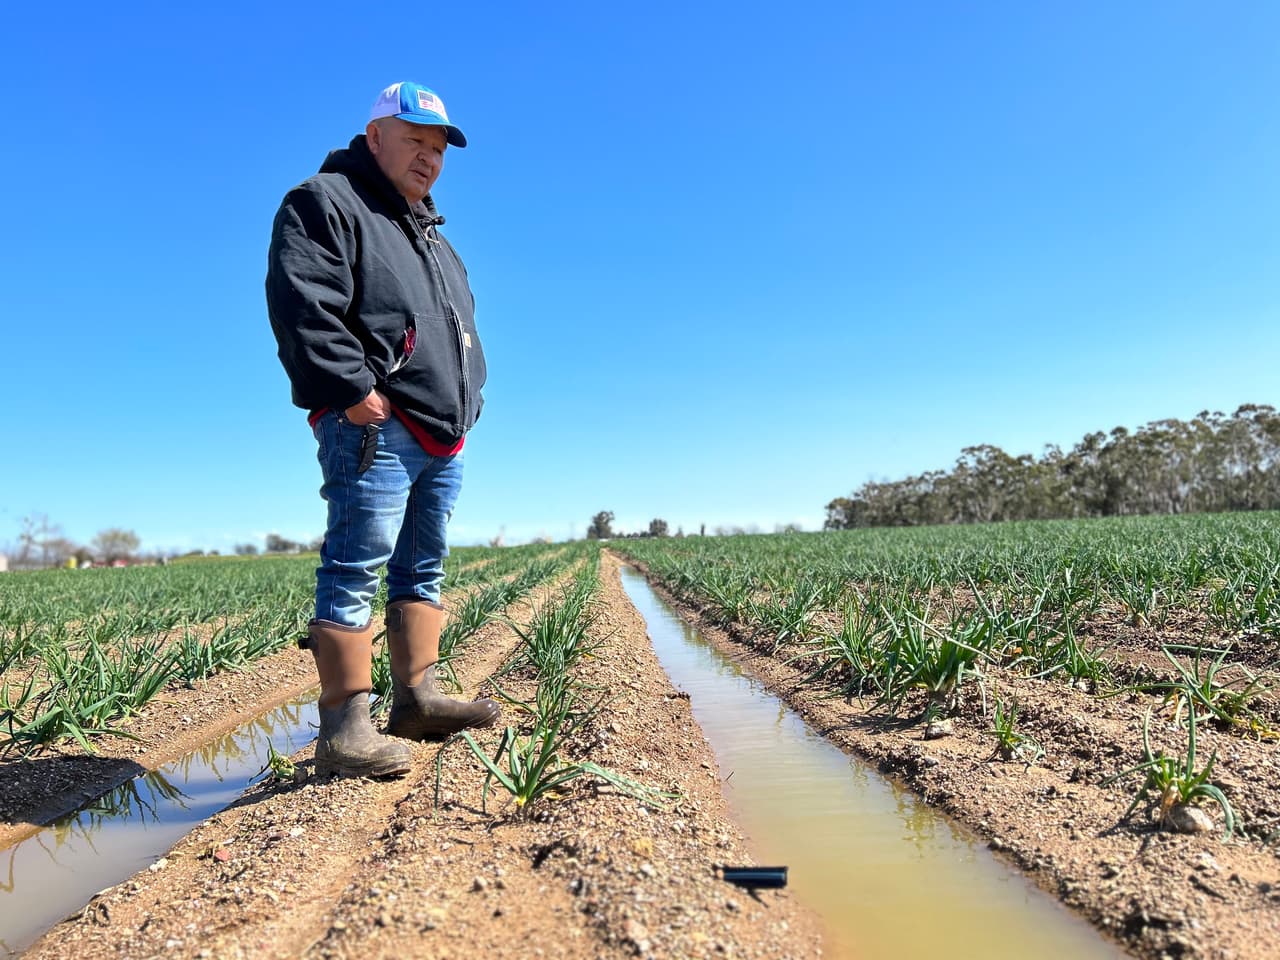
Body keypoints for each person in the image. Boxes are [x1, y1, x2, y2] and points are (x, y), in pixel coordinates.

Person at [266, 81, 500, 778]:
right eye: (414, 141)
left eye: (437, 148)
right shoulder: (326, 202)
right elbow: (303, 302)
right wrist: (354, 391)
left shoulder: (432, 236)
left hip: (442, 434)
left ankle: (417, 699)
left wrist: (471, 400)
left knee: (422, 568)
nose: (428, 159)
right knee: (352, 566)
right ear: (374, 139)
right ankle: (344, 730)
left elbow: (458, 332)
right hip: (375, 426)